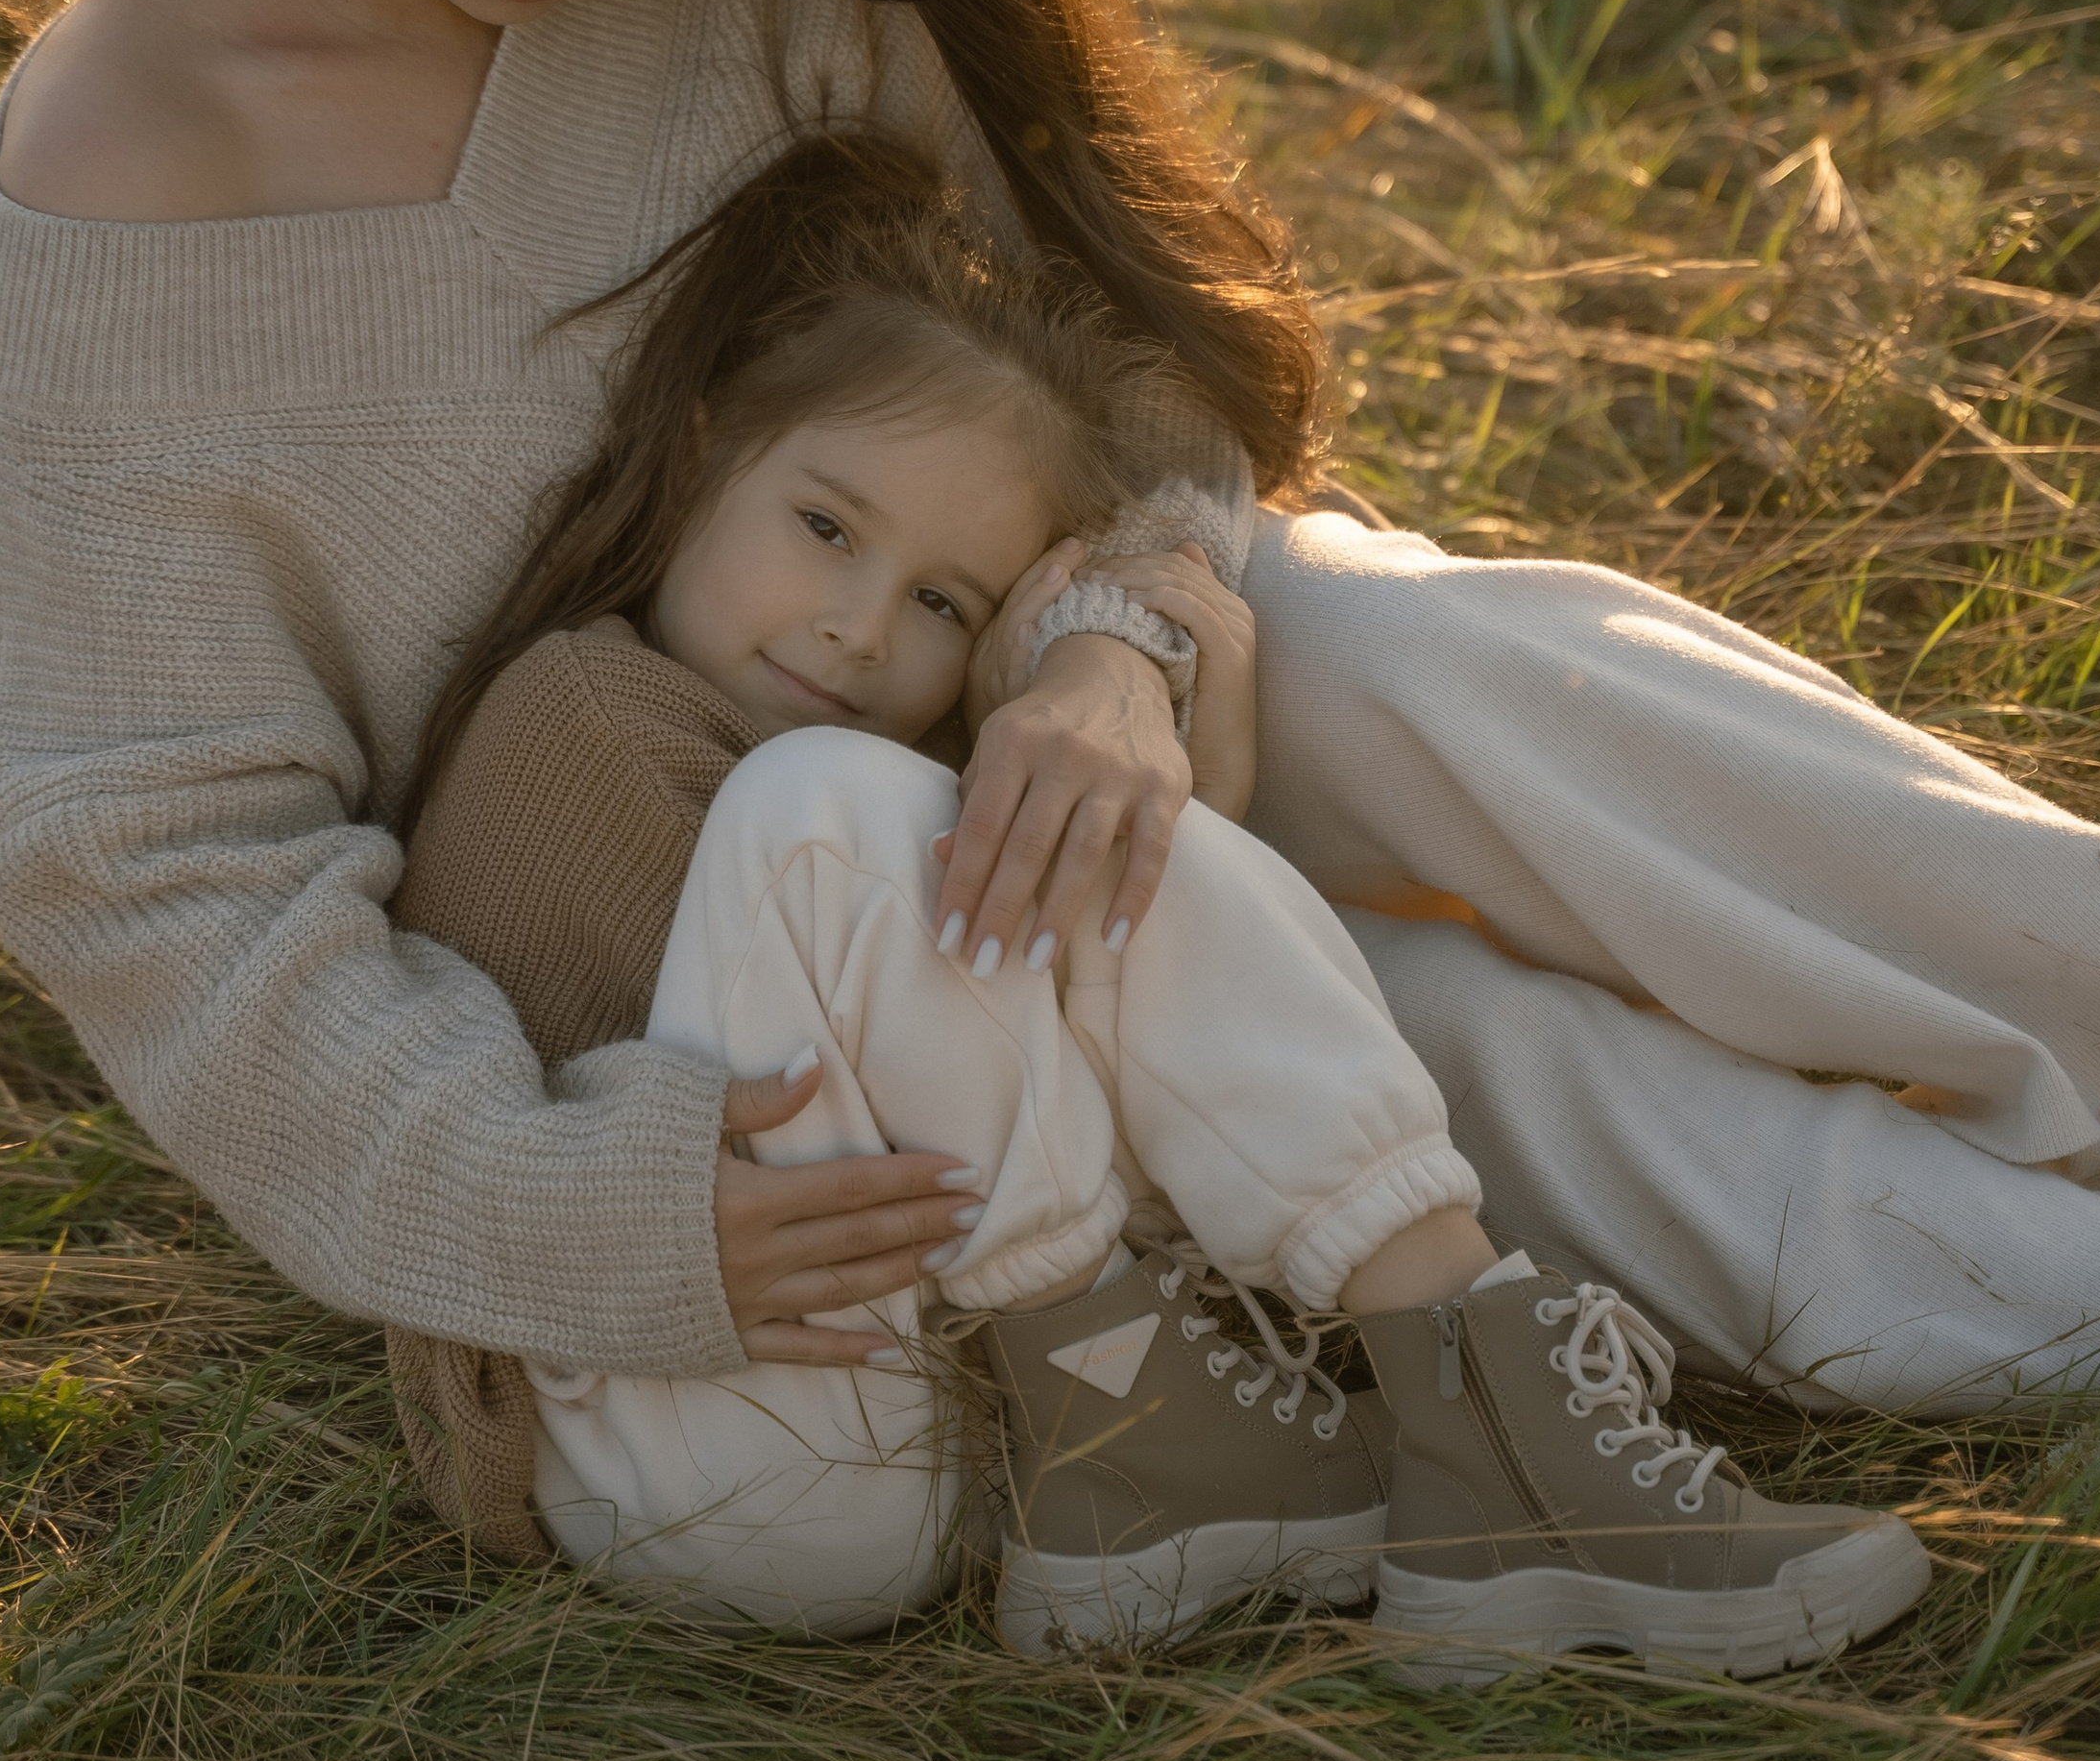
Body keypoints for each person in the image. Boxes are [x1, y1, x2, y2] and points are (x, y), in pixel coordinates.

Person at [0, 0, 2100, 1656]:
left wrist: (1114, 645)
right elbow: (151, 857)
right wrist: (550, 1206)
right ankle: (2096, 1310)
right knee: (1425, 1038)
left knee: (1379, 642)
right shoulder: (132, 160)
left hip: (1012, 726)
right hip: (676, 992)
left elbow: (1130, 350)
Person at [375, 126, 1932, 1674]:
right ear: (707, 448)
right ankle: (1480, 1419)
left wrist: (1086, 727)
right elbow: (859, 1084)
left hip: (948, 1451)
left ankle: (1386, 1439)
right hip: (678, 1440)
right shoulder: (584, 716)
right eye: (828, 527)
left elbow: (975, 1071)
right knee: (899, 814)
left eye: (940, 601)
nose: (856, 629)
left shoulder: (871, 801)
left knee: (1043, 808)